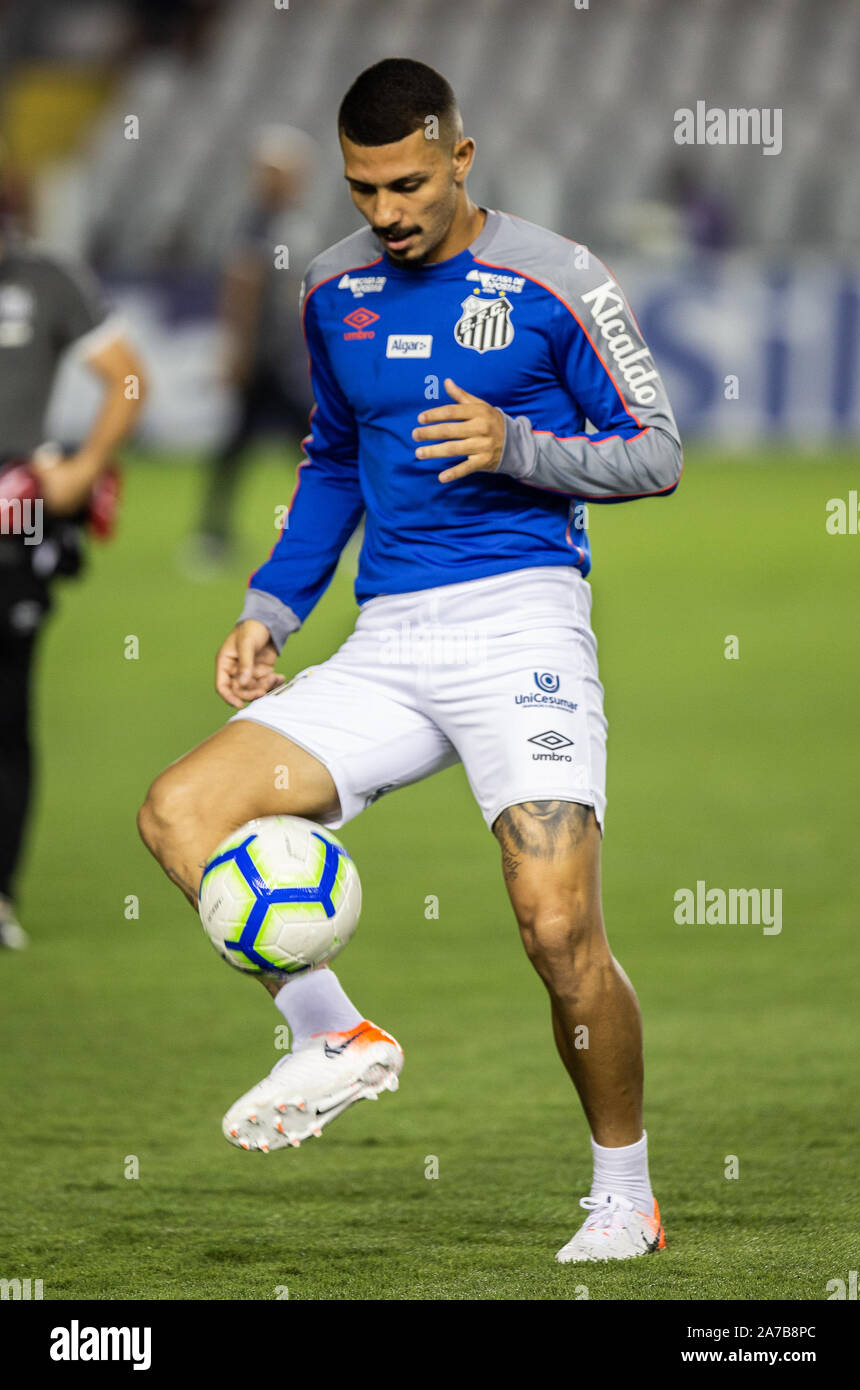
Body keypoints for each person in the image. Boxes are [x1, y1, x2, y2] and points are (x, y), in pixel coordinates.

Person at [139, 59, 682, 1264]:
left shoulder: (555, 280)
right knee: (179, 811)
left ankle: (622, 1194)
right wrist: (271, 608)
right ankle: (333, 1037)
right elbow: (334, 457)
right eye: (363, 187)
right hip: (390, 642)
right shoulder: (333, 291)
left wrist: (517, 445)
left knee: (553, 926)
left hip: (523, 625)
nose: (385, 211)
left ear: (461, 159)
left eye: (408, 184)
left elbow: (655, 453)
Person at [0, 228, 147, 947]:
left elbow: (126, 376)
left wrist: (85, 470)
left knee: (6, 711)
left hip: (12, 522)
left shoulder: (44, 278)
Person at [192, 125, 318, 565]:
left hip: (278, 357)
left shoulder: (283, 221)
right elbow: (242, 288)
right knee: (304, 441)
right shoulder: (258, 222)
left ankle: (212, 533)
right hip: (264, 360)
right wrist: (238, 351)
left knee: (265, 443)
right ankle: (212, 534)